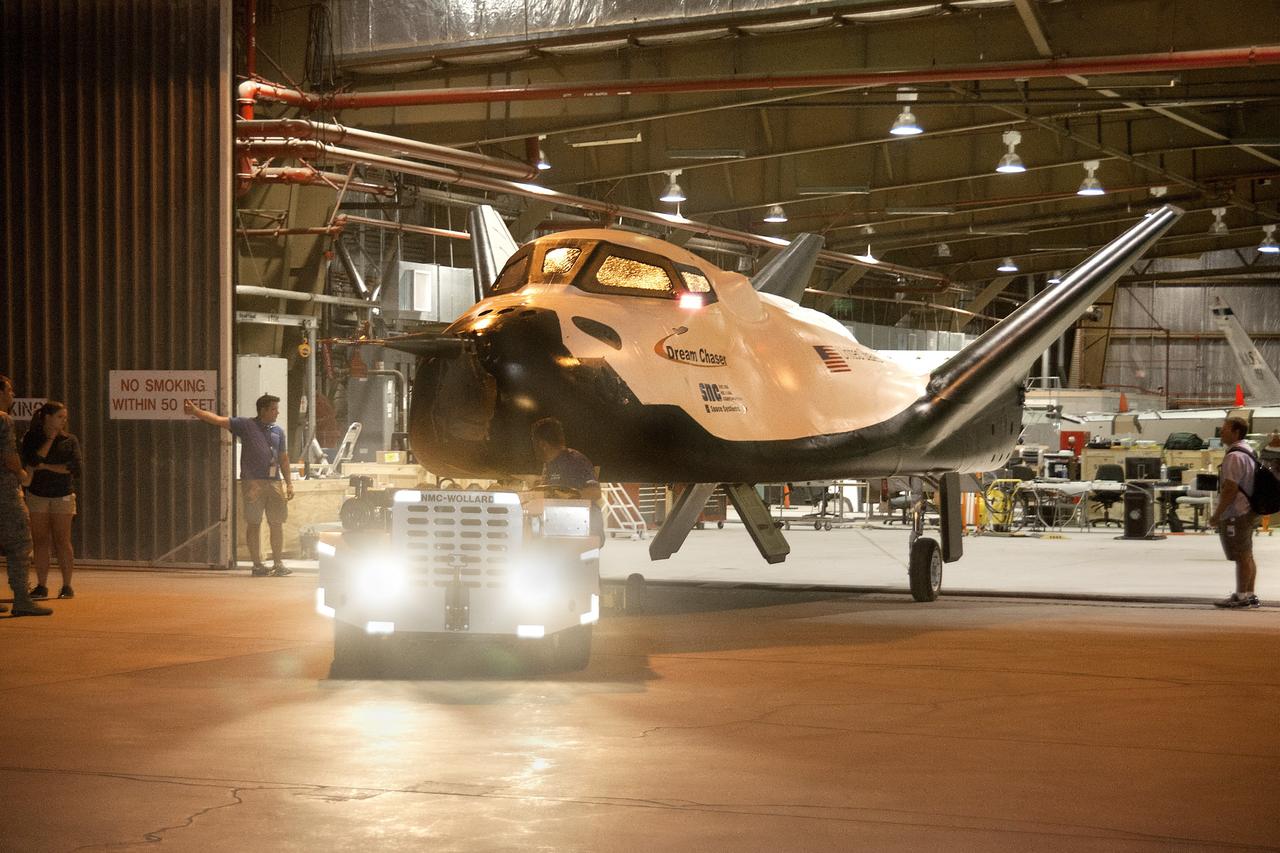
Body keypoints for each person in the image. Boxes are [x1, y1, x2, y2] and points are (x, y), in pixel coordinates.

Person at [185, 394, 294, 576]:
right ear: (263, 410)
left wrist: (289, 483)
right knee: (254, 523)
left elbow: (283, 458)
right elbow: (220, 420)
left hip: (274, 483)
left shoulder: (278, 432)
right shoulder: (246, 425)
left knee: (277, 523)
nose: (277, 412)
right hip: (253, 483)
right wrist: (196, 412)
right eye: (274, 409)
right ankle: (257, 565)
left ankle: (278, 563)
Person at [0, 375, 52, 616]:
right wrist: (22, 475)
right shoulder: (4, 420)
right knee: (20, 543)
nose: (12, 395)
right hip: (5, 493)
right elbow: (9, 457)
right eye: (9, 390)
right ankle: (21, 599)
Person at [21, 401, 82, 599]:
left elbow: (74, 469)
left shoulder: (70, 440)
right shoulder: (32, 437)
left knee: (62, 540)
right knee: (40, 541)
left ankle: (66, 585)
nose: (63, 421)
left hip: (62, 495)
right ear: (47, 417)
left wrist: (46, 467)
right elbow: (33, 461)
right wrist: (49, 440)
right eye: (59, 417)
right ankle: (41, 585)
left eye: (65, 417)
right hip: (38, 495)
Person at [1210, 416, 1260, 608]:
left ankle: (1241, 597)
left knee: (1240, 555)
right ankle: (1249, 593)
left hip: (1237, 512)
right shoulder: (1248, 450)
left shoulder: (1234, 456)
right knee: (1247, 554)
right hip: (1248, 509)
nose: (1221, 432)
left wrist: (1217, 514)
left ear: (1236, 431)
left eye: (1225, 428)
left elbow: (1230, 489)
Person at [530, 417, 602, 542]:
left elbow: (595, 493)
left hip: (584, 532)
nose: (532, 447)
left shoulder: (576, 461)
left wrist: (569, 496)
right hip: (561, 530)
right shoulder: (549, 464)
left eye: (533, 442)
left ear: (542, 444)